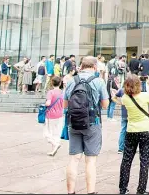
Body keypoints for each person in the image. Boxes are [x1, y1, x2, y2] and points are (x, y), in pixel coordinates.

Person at [64, 56, 109, 194]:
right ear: (95, 67)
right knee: (90, 161)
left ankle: (71, 192)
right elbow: (105, 105)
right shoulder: (99, 81)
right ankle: (90, 192)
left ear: (81, 66)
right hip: (92, 124)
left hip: (74, 123)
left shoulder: (72, 81)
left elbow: (65, 105)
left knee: (74, 159)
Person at [119, 74, 149, 195]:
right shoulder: (145, 96)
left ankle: (123, 189)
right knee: (144, 160)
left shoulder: (125, 98)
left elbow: (120, 99)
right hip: (147, 130)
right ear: (138, 85)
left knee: (126, 160)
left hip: (131, 130)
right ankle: (141, 190)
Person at [43, 76, 64, 156]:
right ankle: (53, 149)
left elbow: (48, 103)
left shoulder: (50, 92)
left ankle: (55, 144)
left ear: (52, 83)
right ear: (60, 83)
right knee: (57, 132)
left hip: (51, 115)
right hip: (60, 114)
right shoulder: (62, 92)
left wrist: (44, 104)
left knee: (47, 132)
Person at [112, 87, 128, 154]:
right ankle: (131, 148)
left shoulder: (122, 89)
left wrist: (120, 103)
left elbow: (113, 98)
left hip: (124, 114)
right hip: (133, 114)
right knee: (134, 131)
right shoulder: (135, 89)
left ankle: (121, 148)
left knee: (123, 131)